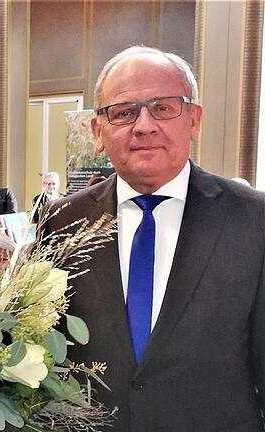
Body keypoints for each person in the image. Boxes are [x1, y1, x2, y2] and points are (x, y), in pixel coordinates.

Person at [38, 46, 265, 432]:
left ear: (194, 120)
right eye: (124, 112)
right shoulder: (62, 221)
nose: (143, 125)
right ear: (97, 132)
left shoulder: (254, 219)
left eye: (163, 107)